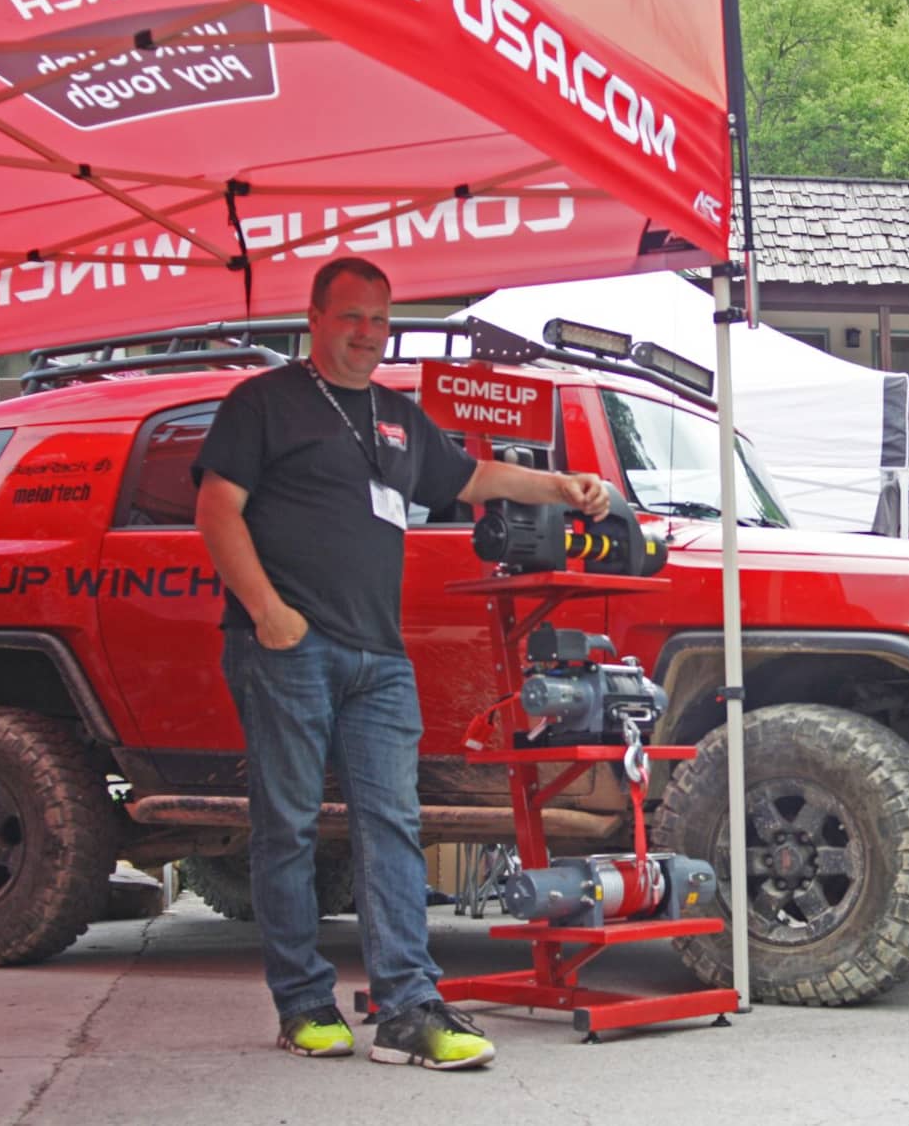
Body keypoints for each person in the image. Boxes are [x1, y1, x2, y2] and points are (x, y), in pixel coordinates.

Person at [193, 256, 610, 1066]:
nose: (365, 334)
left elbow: (470, 474)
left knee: (393, 823)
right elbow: (217, 508)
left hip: (378, 657)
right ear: (312, 318)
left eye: (379, 321)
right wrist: (269, 614)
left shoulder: (394, 414)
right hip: (287, 648)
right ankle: (304, 1004)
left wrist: (558, 485)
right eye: (350, 317)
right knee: (287, 827)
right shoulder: (263, 403)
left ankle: (408, 1007)